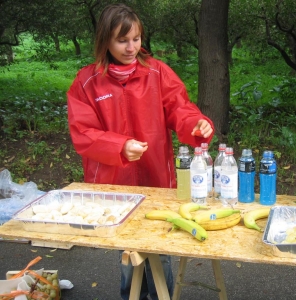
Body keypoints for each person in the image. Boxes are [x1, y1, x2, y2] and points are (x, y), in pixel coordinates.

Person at [66, 3, 214, 300]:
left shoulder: (157, 72)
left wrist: (197, 125)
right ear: (105, 41)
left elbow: (180, 109)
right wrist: (118, 146)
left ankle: (163, 296)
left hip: (156, 174)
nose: (131, 47)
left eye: (136, 39)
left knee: (161, 244)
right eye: (122, 40)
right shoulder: (87, 82)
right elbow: (83, 132)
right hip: (113, 181)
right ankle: (130, 296)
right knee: (128, 250)